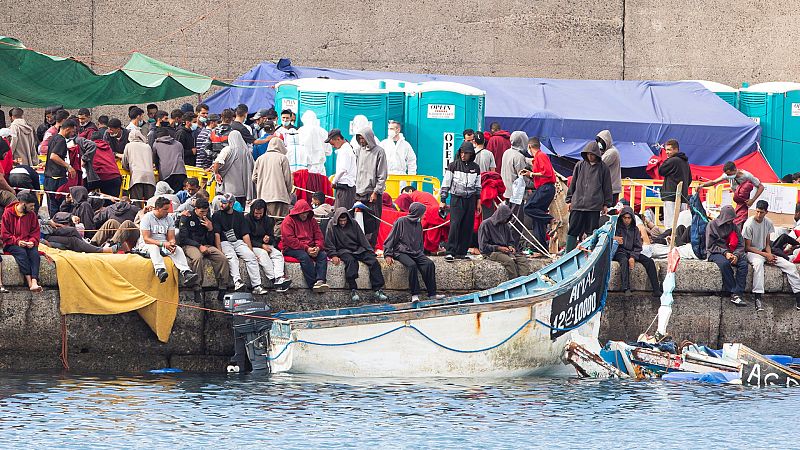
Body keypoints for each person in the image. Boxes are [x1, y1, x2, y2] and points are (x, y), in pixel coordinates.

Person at [743, 200, 800, 311]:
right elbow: (747, 247)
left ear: (766, 212)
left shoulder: (768, 222)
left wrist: (769, 254)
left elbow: (767, 243)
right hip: (752, 253)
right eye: (758, 212)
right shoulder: (749, 224)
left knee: (790, 266)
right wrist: (766, 254)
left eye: (761, 212)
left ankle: (798, 296)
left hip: (764, 251)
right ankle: (758, 296)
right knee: (758, 265)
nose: (759, 215)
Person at [384, 202, 444, 302]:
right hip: (401, 251)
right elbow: (391, 238)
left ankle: (432, 293)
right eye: (423, 212)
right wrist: (388, 253)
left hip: (415, 252)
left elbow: (420, 241)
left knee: (429, 264)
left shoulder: (418, 224)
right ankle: (414, 294)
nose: (424, 214)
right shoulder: (401, 221)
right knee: (412, 265)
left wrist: (421, 253)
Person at [326, 207, 387, 301]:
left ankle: (377, 288)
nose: (343, 223)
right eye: (341, 221)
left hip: (357, 249)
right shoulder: (331, 225)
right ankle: (353, 288)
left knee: (373, 261)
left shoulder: (353, 223)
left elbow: (362, 238)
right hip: (343, 250)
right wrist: (333, 254)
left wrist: (369, 250)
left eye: (344, 220)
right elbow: (329, 242)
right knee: (351, 262)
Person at [212, 193, 267, 294]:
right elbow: (217, 234)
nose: (221, 205)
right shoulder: (216, 215)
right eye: (221, 202)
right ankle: (237, 281)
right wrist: (219, 250)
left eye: (224, 203)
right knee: (232, 257)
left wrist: (251, 250)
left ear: (231, 203)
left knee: (251, 256)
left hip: (238, 241)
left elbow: (245, 235)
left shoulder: (239, 216)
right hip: (224, 241)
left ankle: (257, 285)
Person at [564, 141, 613, 252]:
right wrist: (569, 200)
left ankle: (590, 253)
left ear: (596, 154)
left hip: (594, 206)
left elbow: (607, 186)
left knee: (592, 231)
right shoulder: (579, 165)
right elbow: (573, 183)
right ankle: (568, 254)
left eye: (592, 154)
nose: (590, 156)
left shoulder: (603, 168)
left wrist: (606, 204)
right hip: (578, 204)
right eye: (588, 154)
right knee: (572, 230)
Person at [138, 197, 199, 286]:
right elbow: (146, 239)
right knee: (154, 248)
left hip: (164, 244)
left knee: (177, 249)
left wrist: (172, 243)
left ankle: (186, 272)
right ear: (157, 208)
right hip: (147, 245)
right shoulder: (147, 218)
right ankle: (160, 270)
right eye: (165, 209)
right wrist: (163, 243)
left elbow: (171, 237)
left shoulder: (169, 219)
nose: (168, 211)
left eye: (169, 209)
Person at [177, 198, 230, 289]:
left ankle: (223, 285)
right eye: (201, 212)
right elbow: (183, 238)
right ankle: (197, 285)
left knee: (222, 258)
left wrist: (210, 229)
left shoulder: (207, 218)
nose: (204, 214)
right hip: (190, 245)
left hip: (205, 245)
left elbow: (210, 240)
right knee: (198, 258)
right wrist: (199, 246)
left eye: (206, 211)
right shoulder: (187, 216)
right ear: (196, 209)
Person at [441, 141, 481, 261]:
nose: (463, 155)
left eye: (466, 153)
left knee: (467, 226)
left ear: (471, 154)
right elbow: (446, 183)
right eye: (462, 153)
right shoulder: (453, 166)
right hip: (456, 199)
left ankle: (461, 252)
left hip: (470, 200)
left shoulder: (476, 168)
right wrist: (443, 199)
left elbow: (478, 186)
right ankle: (450, 251)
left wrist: (478, 202)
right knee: (455, 224)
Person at [280, 199, 329, 292]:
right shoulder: (288, 221)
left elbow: (319, 236)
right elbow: (290, 240)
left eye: (306, 213)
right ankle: (312, 283)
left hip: (310, 247)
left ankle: (320, 280)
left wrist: (318, 247)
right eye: (302, 213)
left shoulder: (312, 221)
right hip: (291, 248)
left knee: (322, 255)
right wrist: (307, 249)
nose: (304, 215)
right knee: (304, 256)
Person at [613, 206, 662, 297]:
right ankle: (626, 288)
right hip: (620, 251)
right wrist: (615, 238)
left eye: (629, 218)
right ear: (621, 218)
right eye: (625, 218)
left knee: (649, 261)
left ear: (632, 218)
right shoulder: (616, 228)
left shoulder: (635, 229)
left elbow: (638, 246)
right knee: (623, 261)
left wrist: (632, 257)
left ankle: (656, 289)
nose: (627, 220)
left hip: (632, 251)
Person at [706, 205, 749, 307]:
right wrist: (725, 252)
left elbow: (740, 244)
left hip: (731, 252)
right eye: (728, 220)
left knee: (743, 264)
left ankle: (738, 293)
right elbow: (710, 246)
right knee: (724, 264)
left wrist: (736, 255)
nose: (730, 222)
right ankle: (732, 291)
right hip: (715, 252)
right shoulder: (712, 225)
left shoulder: (734, 227)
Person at [246, 199, 292, 292]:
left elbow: (272, 236)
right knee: (263, 255)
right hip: (252, 245)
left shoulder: (268, 220)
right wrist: (261, 245)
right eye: (256, 213)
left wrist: (268, 238)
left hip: (266, 244)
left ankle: (279, 276)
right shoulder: (247, 219)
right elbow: (247, 238)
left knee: (277, 254)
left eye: (260, 213)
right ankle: (273, 278)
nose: (258, 216)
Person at [0, 192, 43, 292]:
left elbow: (35, 232)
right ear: (23, 204)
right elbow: (4, 234)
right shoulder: (8, 213)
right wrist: (17, 242)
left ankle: (34, 281)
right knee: (21, 253)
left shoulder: (32, 215)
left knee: (34, 254)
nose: (33, 208)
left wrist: (32, 241)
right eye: (31, 206)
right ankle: (29, 281)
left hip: (28, 242)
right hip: (11, 244)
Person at [699, 161, 765, 226]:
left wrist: (752, 200)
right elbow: (714, 182)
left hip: (748, 201)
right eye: (727, 175)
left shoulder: (747, 176)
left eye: (730, 174)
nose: (728, 176)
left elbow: (761, 187)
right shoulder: (726, 176)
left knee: (742, 220)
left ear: (735, 170)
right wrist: (702, 186)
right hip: (737, 200)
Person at [354, 126, 388, 247]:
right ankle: (360, 245)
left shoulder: (379, 151)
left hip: (372, 193)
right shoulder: (358, 151)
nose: (362, 141)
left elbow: (382, 174)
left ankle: (370, 246)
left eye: (363, 138)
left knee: (372, 221)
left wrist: (376, 191)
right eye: (359, 138)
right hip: (358, 192)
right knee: (358, 219)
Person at [521, 137, 557, 253]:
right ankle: (542, 249)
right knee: (537, 221)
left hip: (546, 188)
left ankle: (550, 219)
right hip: (544, 188)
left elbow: (546, 173)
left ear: (530, 147)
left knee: (528, 208)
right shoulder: (537, 158)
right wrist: (530, 174)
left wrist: (531, 174)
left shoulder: (541, 156)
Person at [252, 137, 293, 237]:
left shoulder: (260, 159)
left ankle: (267, 241)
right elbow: (288, 179)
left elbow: (254, 178)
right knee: (280, 221)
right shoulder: (282, 158)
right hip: (280, 196)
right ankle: (275, 242)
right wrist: (288, 193)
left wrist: (262, 185)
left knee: (266, 221)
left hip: (263, 197)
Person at [478, 203, 531, 279]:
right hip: (491, 252)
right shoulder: (485, 224)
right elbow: (483, 246)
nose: (506, 220)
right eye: (505, 218)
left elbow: (510, 241)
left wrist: (511, 247)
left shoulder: (505, 225)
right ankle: (514, 282)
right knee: (509, 262)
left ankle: (523, 280)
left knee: (522, 260)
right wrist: (498, 248)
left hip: (505, 251)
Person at [43, 118, 77, 218]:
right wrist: (69, 166)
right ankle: (59, 225)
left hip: (48, 178)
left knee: (51, 205)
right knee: (59, 206)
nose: (72, 134)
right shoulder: (61, 140)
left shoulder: (53, 138)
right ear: (67, 129)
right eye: (72, 131)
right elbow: (53, 156)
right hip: (57, 179)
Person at [212, 130, 254, 207]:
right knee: (239, 210)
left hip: (228, 189)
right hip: (243, 190)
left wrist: (216, 173)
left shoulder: (227, 149)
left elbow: (217, 162)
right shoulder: (247, 152)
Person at [658, 139, 692, 228]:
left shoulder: (672, 160)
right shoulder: (685, 162)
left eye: (669, 149)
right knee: (682, 224)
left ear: (676, 149)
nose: (667, 152)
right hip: (683, 197)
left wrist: (667, 160)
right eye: (666, 150)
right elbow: (690, 179)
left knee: (670, 224)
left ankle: (670, 241)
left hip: (670, 196)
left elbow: (661, 171)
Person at [122, 128, 157, 201]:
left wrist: (128, 169)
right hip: (150, 177)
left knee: (136, 203)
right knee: (150, 203)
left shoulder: (129, 145)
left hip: (136, 177)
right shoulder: (147, 146)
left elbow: (124, 162)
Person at [327, 129, 357, 209]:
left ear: (338, 139)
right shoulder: (346, 148)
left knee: (342, 213)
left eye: (332, 144)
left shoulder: (345, 150)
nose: (333, 146)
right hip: (346, 186)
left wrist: (334, 181)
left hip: (345, 187)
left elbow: (343, 169)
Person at [152, 126, 187, 193]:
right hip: (181, 172)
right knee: (178, 196)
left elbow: (155, 160)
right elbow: (182, 158)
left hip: (166, 174)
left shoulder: (156, 144)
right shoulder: (178, 144)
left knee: (167, 196)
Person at [298, 110, 331, 175]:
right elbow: (328, 152)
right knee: (320, 184)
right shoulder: (323, 132)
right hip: (320, 167)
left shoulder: (301, 131)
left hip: (305, 166)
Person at [596, 130, 621, 204]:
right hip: (607, 189)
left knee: (608, 212)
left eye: (601, 142)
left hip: (611, 189)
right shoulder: (606, 152)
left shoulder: (612, 152)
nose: (599, 144)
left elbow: (599, 164)